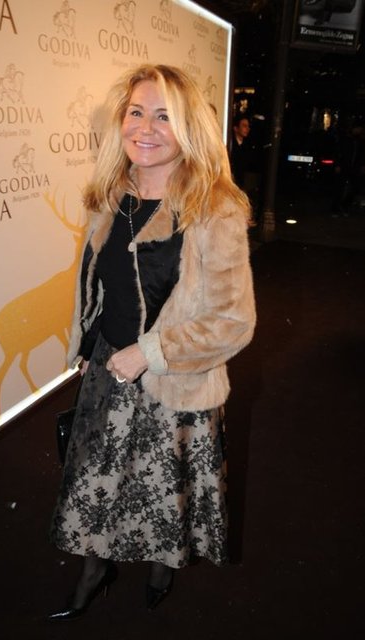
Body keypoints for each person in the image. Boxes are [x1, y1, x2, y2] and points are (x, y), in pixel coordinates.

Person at [49, 63, 256, 620]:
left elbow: (233, 320)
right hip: (108, 370)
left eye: (164, 116)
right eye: (136, 112)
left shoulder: (214, 208)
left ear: (188, 128)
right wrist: (88, 344)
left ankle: (163, 565)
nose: (145, 128)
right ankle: (94, 570)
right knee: (96, 483)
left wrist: (150, 353)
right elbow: (99, 282)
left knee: (163, 492)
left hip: (175, 381)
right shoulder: (108, 196)